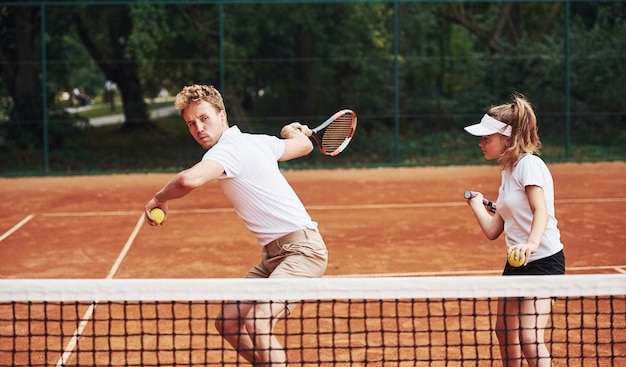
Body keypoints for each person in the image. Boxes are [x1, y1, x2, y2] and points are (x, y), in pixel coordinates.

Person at [144, 84, 328, 366]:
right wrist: (291, 130)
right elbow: (304, 145)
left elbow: (187, 181)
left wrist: (159, 198)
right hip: (273, 258)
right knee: (228, 323)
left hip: (302, 252)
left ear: (221, 114)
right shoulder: (257, 141)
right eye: (191, 124)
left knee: (257, 323)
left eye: (204, 118)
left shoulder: (228, 150)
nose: (199, 129)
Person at [463, 92, 565, 367]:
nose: (481, 143)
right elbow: (494, 230)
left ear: (506, 139)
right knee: (505, 332)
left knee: (529, 338)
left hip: (543, 262)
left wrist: (531, 244)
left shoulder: (529, 165)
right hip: (517, 263)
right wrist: (476, 203)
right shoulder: (508, 173)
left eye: (487, 137)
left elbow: (540, 210)